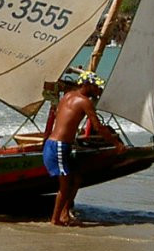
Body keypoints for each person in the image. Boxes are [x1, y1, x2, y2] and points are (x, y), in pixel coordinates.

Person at [44, 71, 120, 227]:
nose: (98, 91)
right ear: (87, 85)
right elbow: (98, 127)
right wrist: (117, 144)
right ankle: (55, 220)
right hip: (58, 146)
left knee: (76, 179)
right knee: (65, 185)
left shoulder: (67, 96)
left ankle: (65, 214)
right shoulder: (85, 102)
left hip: (58, 146)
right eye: (96, 87)